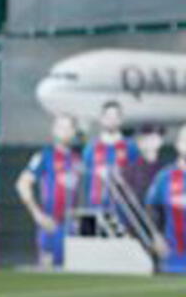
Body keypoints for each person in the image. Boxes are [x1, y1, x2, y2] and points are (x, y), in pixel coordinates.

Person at [14, 115, 82, 268]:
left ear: (74, 131)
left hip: (74, 224)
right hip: (51, 223)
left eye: (68, 128)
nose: (64, 132)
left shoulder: (79, 159)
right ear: (53, 130)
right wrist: (37, 214)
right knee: (48, 268)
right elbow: (22, 184)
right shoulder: (44, 156)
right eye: (60, 127)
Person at [81, 101, 139, 219]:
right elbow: (85, 182)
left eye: (115, 117)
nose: (111, 120)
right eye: (108, 116)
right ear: (101, 119)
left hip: (122, 212)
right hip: (95, 210)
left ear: (120, 120)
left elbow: (135, 181)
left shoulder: (130, 147)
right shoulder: (91, 148)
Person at [144, 125, 186, 274]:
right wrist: (156, 236)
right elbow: (151, 208)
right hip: (172, 258)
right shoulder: (164, 177)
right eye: (184, 139)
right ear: (177, 145)